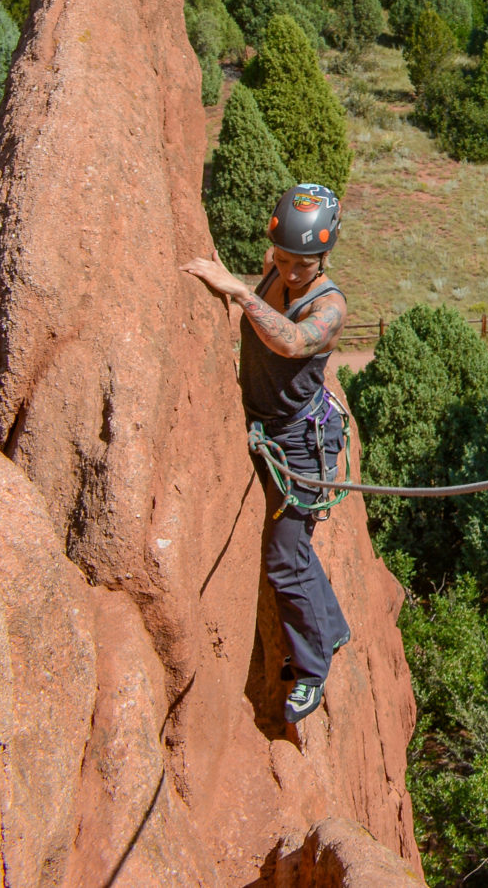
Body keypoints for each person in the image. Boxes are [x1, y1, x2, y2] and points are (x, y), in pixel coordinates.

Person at [183, 182, 352, 728]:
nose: (287, 269)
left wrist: (239, 292)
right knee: (295, 545)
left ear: (323, 257)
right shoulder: (277, 267)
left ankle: (311, 670)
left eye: (301, 262)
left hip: (299, 447)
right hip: (265, 431)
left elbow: (291, 343)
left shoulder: (328, 306)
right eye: (280, 257)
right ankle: (333, 625)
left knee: (283, 555)